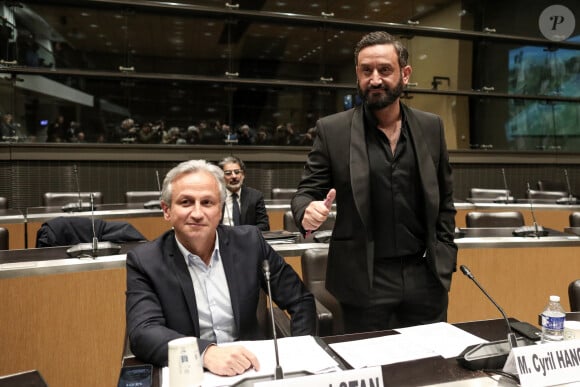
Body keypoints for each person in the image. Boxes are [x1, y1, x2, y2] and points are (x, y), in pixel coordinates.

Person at [291, 31, 457, 334]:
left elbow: (445, 200)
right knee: (372, 368)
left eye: (385, 70)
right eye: (366, 71)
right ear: (358, 75)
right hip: (364, 280)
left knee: (431, 368)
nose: (375, 79)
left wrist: (445, 253)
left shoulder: (431, 126)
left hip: (425, 276)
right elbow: (306, 193)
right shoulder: (333, 131)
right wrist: (306, 212)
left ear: (405, 74)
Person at [125, 159, 315, 375]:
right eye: (186, 202)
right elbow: (143, 332)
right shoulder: (145, 261)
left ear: (220, 209)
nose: (197, 213)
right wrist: (205, 353)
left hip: (252, 369)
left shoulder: (250, 243)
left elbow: (300, 300)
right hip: (190, 372)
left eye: (207, 203)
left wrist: (300, 351)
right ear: (167, 210)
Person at [218, 156, 270, 231]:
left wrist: (243, 234)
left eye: (237, 172)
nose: (234, 176)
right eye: (228, 173)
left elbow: (264, 226)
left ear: (243, 175)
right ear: (221, 177)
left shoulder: (255, 196)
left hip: (247, 240)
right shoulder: (215, 197)